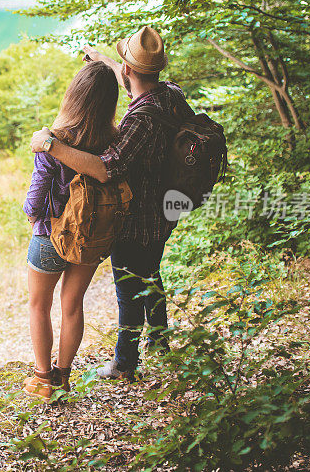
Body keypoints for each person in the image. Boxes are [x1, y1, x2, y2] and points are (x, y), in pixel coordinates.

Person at [30, 26, 194, 381]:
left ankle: (125, 364)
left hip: (137, 216)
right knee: (150, 273)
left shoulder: (139, 120)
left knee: (128, 291)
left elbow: (107, 169)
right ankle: (161, 341)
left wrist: (50, 145)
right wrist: (104, 63)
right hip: (166, 210)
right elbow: (136, 85)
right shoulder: (170, 95)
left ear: (130, 71)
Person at [22, 60, 120, 400]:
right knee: (73, 304)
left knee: (38, 305)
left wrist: (32, 218)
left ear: (73, 97)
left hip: (51, 235)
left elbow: (34, 202)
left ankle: (42, 379)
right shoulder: (114, 141)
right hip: (91, 234)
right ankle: (64, 378)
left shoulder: (54, 142)